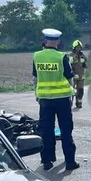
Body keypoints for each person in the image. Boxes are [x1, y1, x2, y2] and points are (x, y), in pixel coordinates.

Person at [32, 28, 79, 172]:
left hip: (45, 100)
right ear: (57, 42)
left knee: (46, 130)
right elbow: (70, 78)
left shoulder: (37, 56)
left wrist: (37, 95)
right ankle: (70, 161)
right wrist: (72, 94)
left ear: (44, 41)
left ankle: (47, 161)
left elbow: (35, 78)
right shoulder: (61, 57)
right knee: (66, 130)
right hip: (63, 99)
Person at [69, 40, 87, 109]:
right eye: (77, 47)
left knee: (80, 91)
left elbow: (86, 64)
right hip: (73, 77)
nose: (79, 48)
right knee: (72, 91)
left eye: (80, 47)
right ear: (74, 47)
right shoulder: (71, 56)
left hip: (81, 77)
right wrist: (72, 73)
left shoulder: (83, 56)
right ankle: (70, 103)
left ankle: (79, 103)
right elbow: (69, 66)